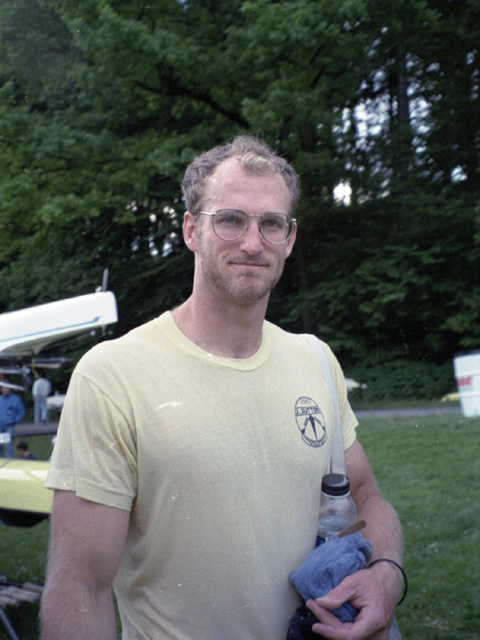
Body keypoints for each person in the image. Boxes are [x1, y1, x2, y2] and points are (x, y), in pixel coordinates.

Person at [41, 136, 404, 640]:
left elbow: (365, 496)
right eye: (230, 220)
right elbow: (80, 590)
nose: (253, 243)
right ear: (191, 230)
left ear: (289, 238)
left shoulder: (316, 361)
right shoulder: (112, 375)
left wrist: (386, 576)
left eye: (271, 223)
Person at [0, 382, 26, 458]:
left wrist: (15, 420)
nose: (6, 389)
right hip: (0, 427)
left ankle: (10, 461)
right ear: (1, 389)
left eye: (7, 388)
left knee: (9, 446)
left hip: (9, 426)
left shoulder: (15, 398)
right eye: (4, 388)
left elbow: (21, 411)